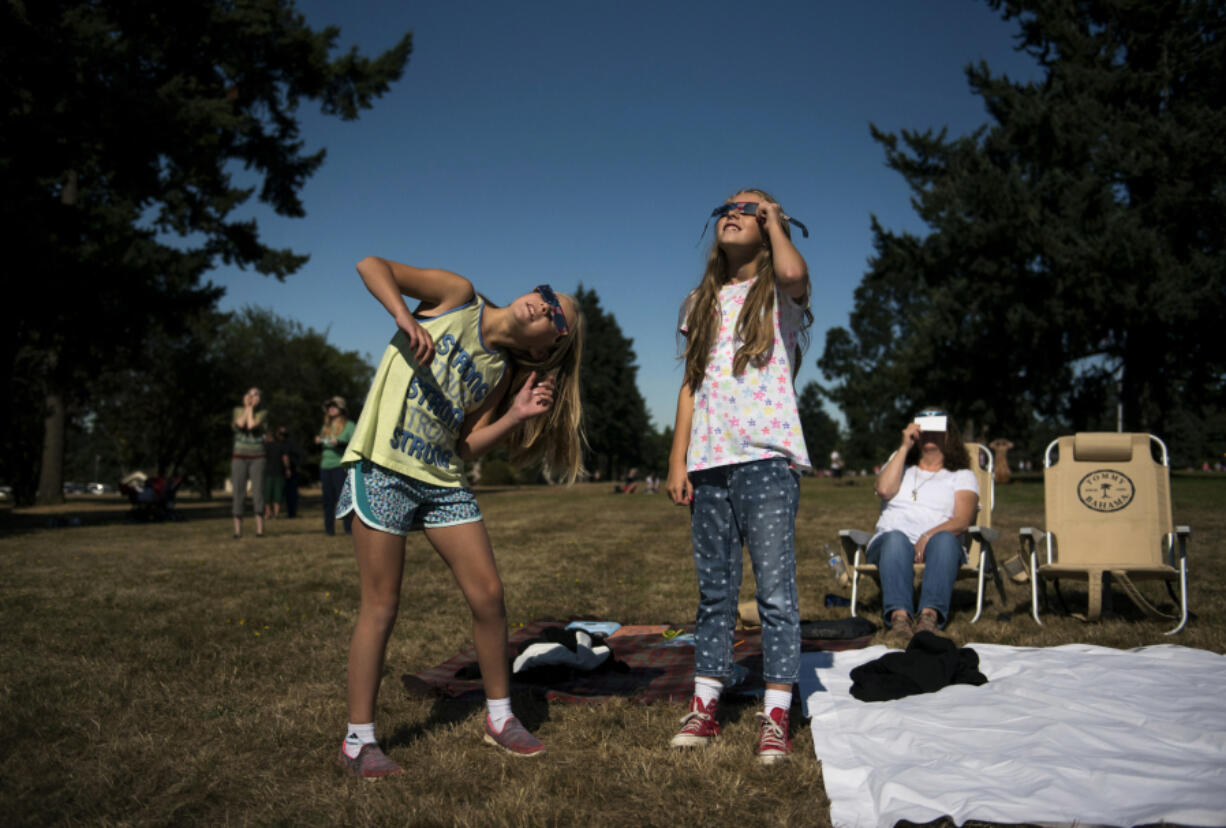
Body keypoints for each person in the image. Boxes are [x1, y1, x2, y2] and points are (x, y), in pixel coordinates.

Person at [335, 256, 584, 779]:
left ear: (543, 348)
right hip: (383, 466)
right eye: (547, 292)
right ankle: (359, 740)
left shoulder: (498, 373)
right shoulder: (457, 295)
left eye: (553, 316)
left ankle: (499, 717)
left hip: (442, 481)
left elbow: (465, 445)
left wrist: (515, 415)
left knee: (489, 595)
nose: (541, 302)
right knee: (381, 604)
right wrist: (405, 317)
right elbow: (370, 265)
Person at [667, 189, 812, 765]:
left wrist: (775, 222)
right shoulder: (698, 302)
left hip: (767, 460)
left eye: (750, 209)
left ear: (772, 221)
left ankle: (776, 712)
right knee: (715, 591)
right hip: (709, 461)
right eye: (727, 206)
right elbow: (691, 383)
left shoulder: (779, 290)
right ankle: (706, 705)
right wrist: (678, 457)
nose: (734, 212)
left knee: (775, 592)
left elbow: (795, 269)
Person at [867, 408, 979, 648]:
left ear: (949, 436)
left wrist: (928, 535)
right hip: (890, 543)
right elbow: (884, 490)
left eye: (937, 429)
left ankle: (929, 616)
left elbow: (962, 520)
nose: (929, 435)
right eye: (923, 429)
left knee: (947, 539)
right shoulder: (900, 466)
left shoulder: (961, 475)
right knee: (895, 538)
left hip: (939, 543)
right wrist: (905, 447)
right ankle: (899, 618)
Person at [230, 387, 267, 538]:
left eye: (255, 395)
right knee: (238, 491)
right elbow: (240, 424)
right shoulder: (238, 410)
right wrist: (247, 407)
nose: (252, 397)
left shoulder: (263, 413)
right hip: (239, 456)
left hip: (257, 456)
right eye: (250, 394)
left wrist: (251, 408)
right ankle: (237, 531)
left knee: (257, 491)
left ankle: (260, 530)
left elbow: (251, 425)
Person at [317, 396, 355, 535]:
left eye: (334, 406)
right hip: (325, 466)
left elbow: (355, 445)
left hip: (340, 466)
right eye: (329, 407)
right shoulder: (326, 427)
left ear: (342, 409)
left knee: (343, 498)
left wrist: (339, 444)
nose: (331, 409)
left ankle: (349, 528)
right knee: (327, 499)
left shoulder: (350, 426)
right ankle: (329, 530)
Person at [262, 430, 288, 520]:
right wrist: (287, 469)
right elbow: (285, 458)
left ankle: (268, 514)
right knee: (277, 495)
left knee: (267, 495)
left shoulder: (264, 447)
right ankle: (276, 515)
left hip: (267, 473)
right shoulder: (280, 446)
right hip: (279, 473)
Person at [279, 426, 302, 518]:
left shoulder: (290, 444)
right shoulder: (280, 444)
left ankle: (292, 513)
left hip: (291, 471)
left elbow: (288, 457)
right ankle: (290, 512)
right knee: (287, 494)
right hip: (280, 471)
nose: (281, 436)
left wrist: (290, 468)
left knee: (291, 493)